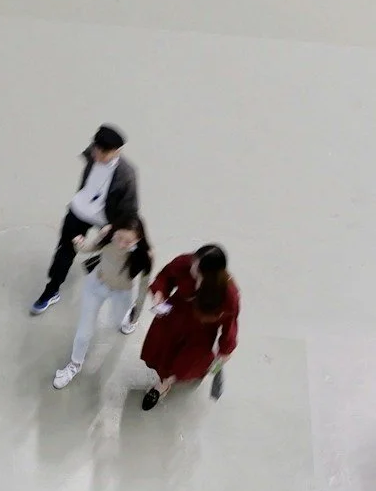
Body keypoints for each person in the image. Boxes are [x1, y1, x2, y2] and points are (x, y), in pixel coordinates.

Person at [31, 125, 137, 316]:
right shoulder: (93, 153)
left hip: (106, 219)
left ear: (117, 152)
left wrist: (113, 228)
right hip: (79, 211)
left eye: (103, 153)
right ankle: (52, 289)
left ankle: (121, 302)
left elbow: (130, 209)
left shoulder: (126, 176)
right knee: (65, 250)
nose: (97, 155)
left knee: (115, 258)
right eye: (96, 150)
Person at [52, 218, 152, 389]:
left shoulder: (144, 256)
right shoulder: (107, 235)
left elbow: (143, 288)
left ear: (139, 239)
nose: (121, 244)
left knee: (115, 324)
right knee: (84, 330)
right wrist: (79, 244)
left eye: (128, 242)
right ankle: (75, 364)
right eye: (119, 238)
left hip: (121, 293)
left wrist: (136, 313)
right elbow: (90, 248)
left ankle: (127, 317)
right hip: (96, 286)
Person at [136, 245, 239, 412]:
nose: (192, 268)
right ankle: (164, 380)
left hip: (201, 332)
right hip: (173, 317)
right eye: (194, 263)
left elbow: (230, 324)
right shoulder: (186, 263)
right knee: (162, 352)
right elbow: (166, 276)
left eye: (197, 269)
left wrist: (225, 350)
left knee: (184, 363)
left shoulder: (228, 294)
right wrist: (159, 293)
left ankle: (166, 382)